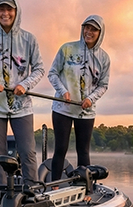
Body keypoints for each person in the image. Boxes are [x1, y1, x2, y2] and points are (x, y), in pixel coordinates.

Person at [0, 0, 45, 186]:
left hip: (22, 106)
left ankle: (31, 190)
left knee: (27, 151)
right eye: (1, 9)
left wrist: (24, 84)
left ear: (16, 11)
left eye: (9, 9)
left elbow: (39, 69)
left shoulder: (29, 39)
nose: (5, 13)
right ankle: (0, 191)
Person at [47, 15, 110, 181]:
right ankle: (54, 186)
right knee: (60, 148)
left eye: (94, 29)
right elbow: (52, 73)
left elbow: (103, 85)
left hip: (86, 112)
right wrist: (63, 91)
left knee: (83, 151)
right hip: (63, 108)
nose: (89, 32)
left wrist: (91, 99)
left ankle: (85, 188)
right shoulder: (67, 49)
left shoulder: (104, 58)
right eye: (86, 27)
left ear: (100, 33)